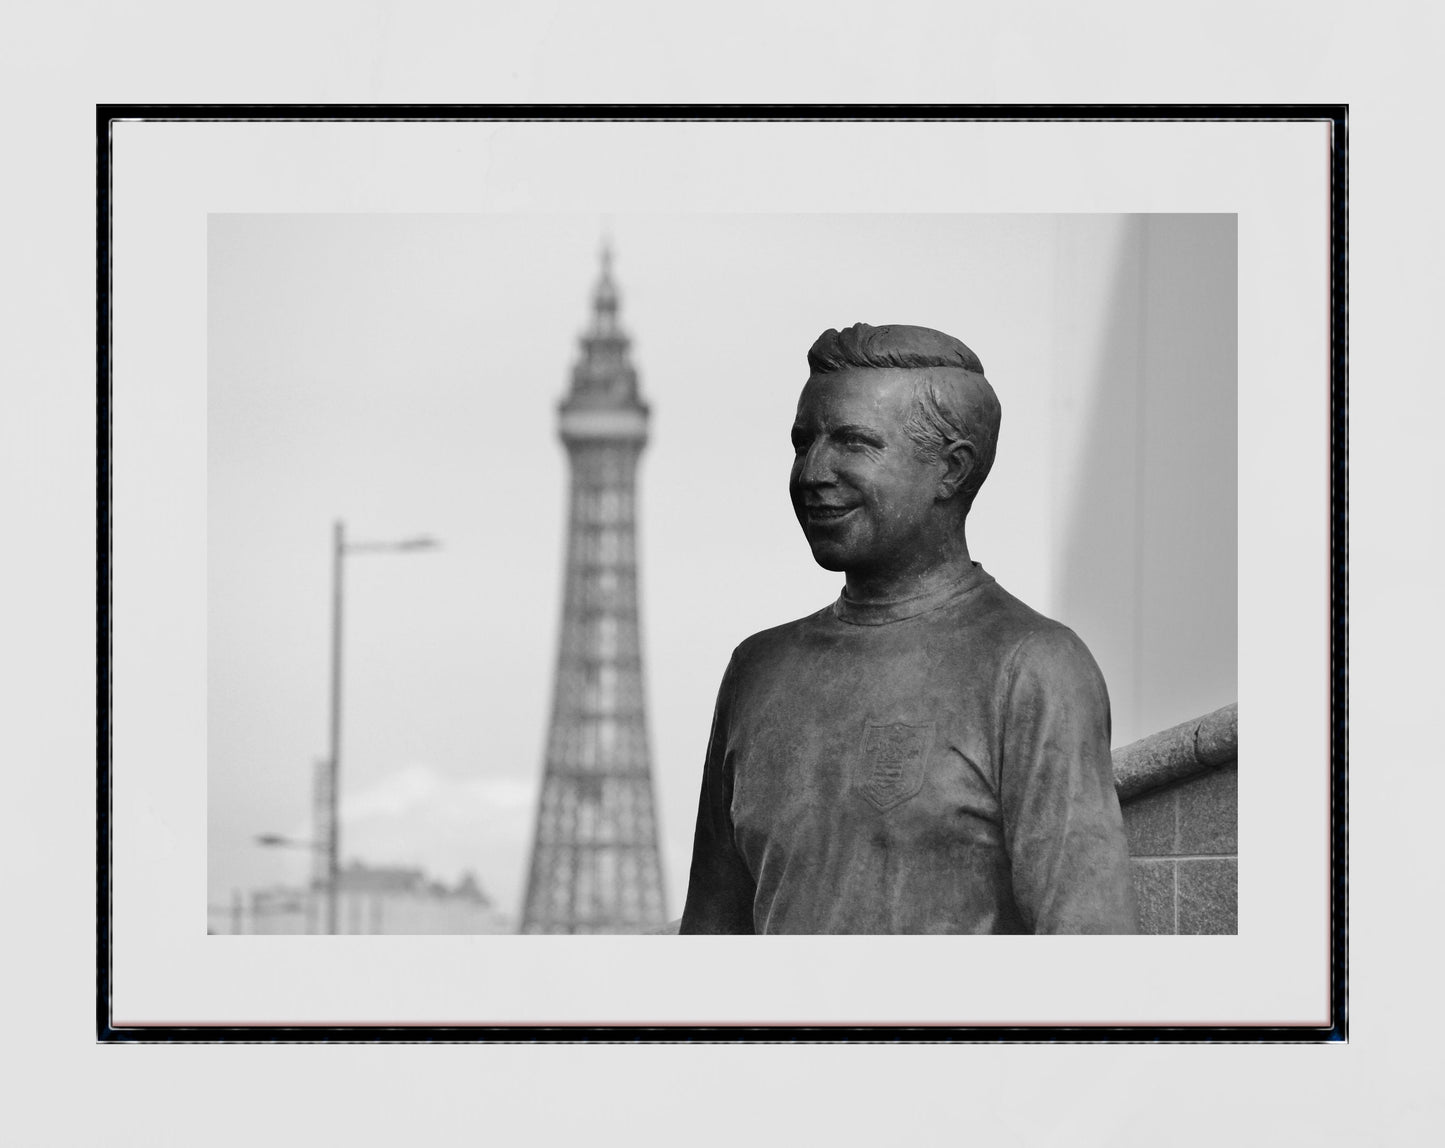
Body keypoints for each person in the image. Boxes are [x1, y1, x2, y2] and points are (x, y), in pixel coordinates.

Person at [679, 322, 1137, 934]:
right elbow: (710, 943)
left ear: (952, 469)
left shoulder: (1034, 667)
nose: (813, 471)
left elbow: (1091, 948)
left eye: (853, 442)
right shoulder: (756, 670)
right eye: (803, 442)